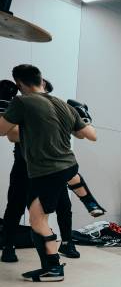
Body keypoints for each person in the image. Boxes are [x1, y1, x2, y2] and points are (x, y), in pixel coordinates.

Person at [0, 65, 101, 281]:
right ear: (42, 81)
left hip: (44, 171)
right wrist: (84, 116)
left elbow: (2, 131)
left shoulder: (23, 103)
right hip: (64, 166)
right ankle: (90, 202)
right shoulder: (64, 105)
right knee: (35, 211)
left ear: (19, 84)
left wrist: (2, 109)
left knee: (38, 221)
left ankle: (53, 268)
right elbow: (91, 135)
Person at [1, 79, 80, 262]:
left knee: (63, 205)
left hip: (52, 169)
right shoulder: (21, 109)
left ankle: (67, 242)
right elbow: (11, 135)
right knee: (15, 206)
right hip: (24, 167)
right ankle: (8, 246)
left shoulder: (52, 113)